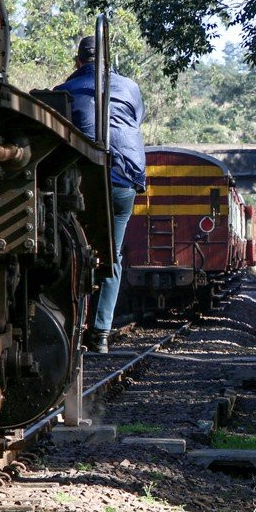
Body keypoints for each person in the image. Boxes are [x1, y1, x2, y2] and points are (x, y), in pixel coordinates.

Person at [55, 36, 146, 354]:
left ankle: (72, 327)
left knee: (72, 251)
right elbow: (134, 120)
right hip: (124, 179)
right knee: (112, 255)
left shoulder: (63, 91)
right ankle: (101, 334)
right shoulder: (130, 87)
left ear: (78, 61)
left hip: (82, 181)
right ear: (109, 62)